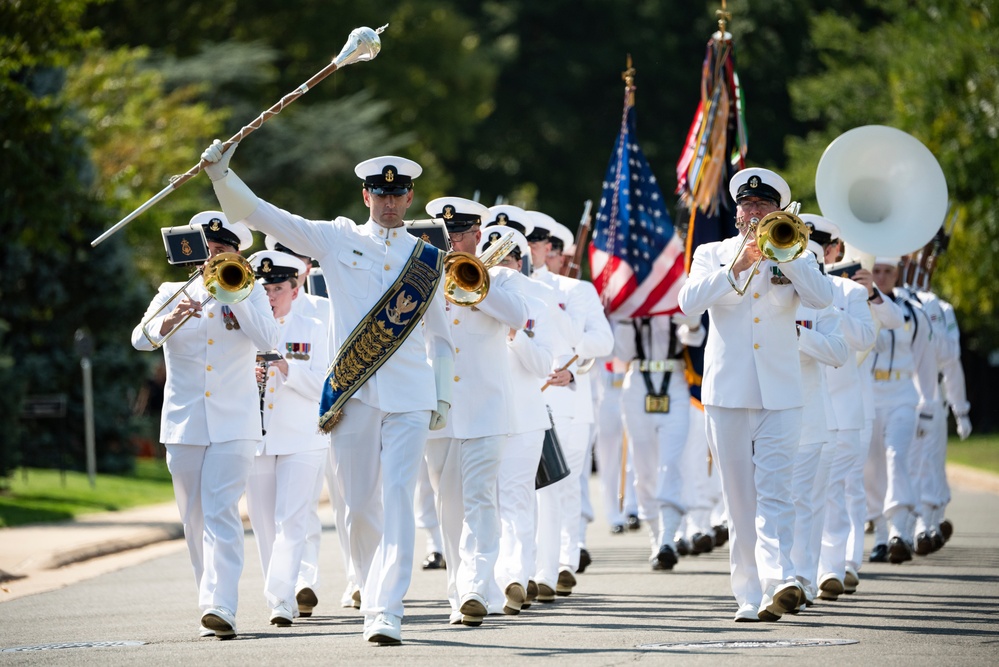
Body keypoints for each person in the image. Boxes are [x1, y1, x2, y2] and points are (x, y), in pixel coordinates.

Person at [201, 140, 455, 645]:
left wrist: (442, 396)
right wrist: (221, 177)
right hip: (353, 396)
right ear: (365, 196)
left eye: (398, 194)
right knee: (359, 507)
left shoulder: (429, 259)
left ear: (409, 198)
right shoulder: (337, 239)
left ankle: (386, 609)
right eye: (379, 194)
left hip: (409, 398)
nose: (388, 202)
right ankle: (368, 585)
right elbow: (270, 218)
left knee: (399, 497)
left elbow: (441, 339)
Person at [677, 168, 834, 622]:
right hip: (727, 392)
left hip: (781, 392)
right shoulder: (713, 253)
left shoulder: (797, 250)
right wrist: (738, 267)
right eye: (747, 206)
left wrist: (786, 259)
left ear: (779, 212)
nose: (753, 212)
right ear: (736, 212)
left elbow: (822, 299)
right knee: (739, 499)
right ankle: (748, 594)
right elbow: (689, 302)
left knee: (776, 493)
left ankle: (779, 580)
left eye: (763, 207)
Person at [131, 211, 280, 639]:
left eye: (222, 250)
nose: (213, 257)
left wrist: (237, 297)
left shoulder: (247, 293)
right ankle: (208, 600)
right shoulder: (170, 290)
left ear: (237, 253)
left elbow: (270, 343)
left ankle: (222, 605)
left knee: (221, 510)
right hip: (185, 422)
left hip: (235, 421)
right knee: (193, 519)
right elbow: (141, 338)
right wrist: (169, 318)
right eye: (208, 250)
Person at [421, 196, 529, 626]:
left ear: (477, 236)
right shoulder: (424, 277)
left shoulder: (502, 278)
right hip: (439, 407)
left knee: (481, 499)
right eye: (445, 235)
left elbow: (518, 317)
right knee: (448, 507)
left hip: (487, 407)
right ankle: (457, 593)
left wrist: (472, 285)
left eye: (460, 234)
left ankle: (476, 586)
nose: (452, 242)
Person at [243, 250, 330, 626]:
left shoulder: (314, 325)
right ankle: (279, 592)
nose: (270, 296)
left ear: (295, 291)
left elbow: (328, 385)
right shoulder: (243, 328)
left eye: (278, 288)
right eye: (264, 289)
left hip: (303, 437)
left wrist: (286, 368)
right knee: (264, 525)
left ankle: (281, 598)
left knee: (292, 520)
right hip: (257, 439)